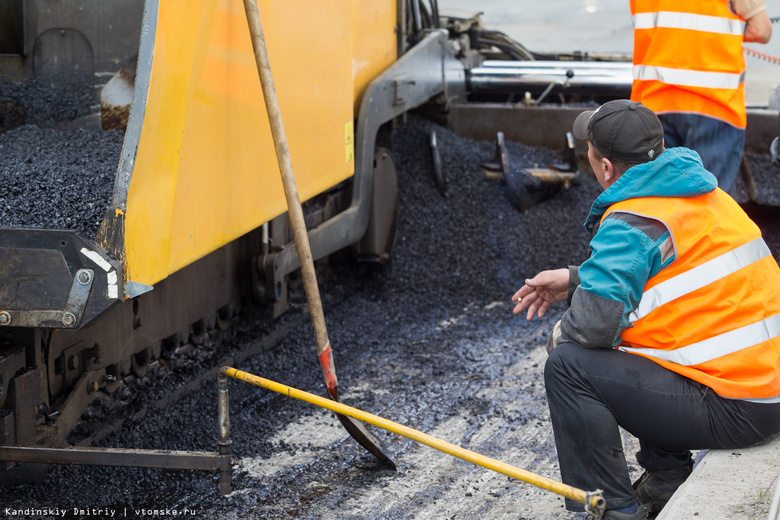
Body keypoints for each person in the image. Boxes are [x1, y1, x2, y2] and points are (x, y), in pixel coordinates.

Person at [512, 99, 780, 520]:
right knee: (642, 335)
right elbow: (663, 279)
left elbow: (590, 328)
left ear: (604, 168)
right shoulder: (703, 194)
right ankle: (666, 479)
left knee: (569, 365)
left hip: (736, 407)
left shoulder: (633, 220)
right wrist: (575, 278)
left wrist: (561, 335)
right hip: (764, 390)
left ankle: (614, 511)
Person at [630, 0, 772, 194]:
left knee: (658, 202)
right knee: (709, 203)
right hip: (713, 104)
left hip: (653, 102)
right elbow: (761, 30)